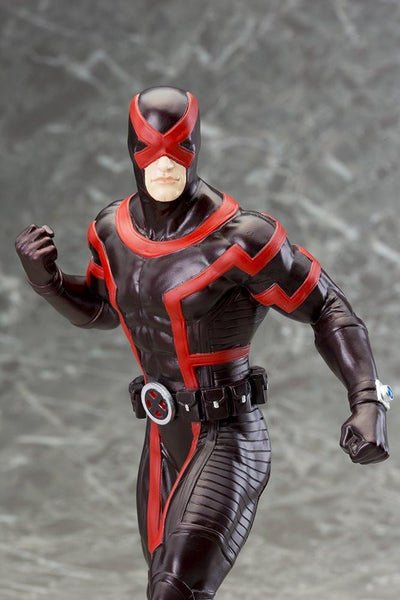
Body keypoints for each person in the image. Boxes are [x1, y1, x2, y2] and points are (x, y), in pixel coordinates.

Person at [15, 86, 392, 600]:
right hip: (162, 437)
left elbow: (329, 307)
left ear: (197, 148)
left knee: (174, 587)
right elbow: (106, 309)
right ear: (131, 149)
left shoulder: (242, 239)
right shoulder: (111, 230)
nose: (164, 165)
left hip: (228, 436)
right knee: (163, 584)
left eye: (179, 150)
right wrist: (48, 282)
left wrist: (369, 399)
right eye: (149, 150)